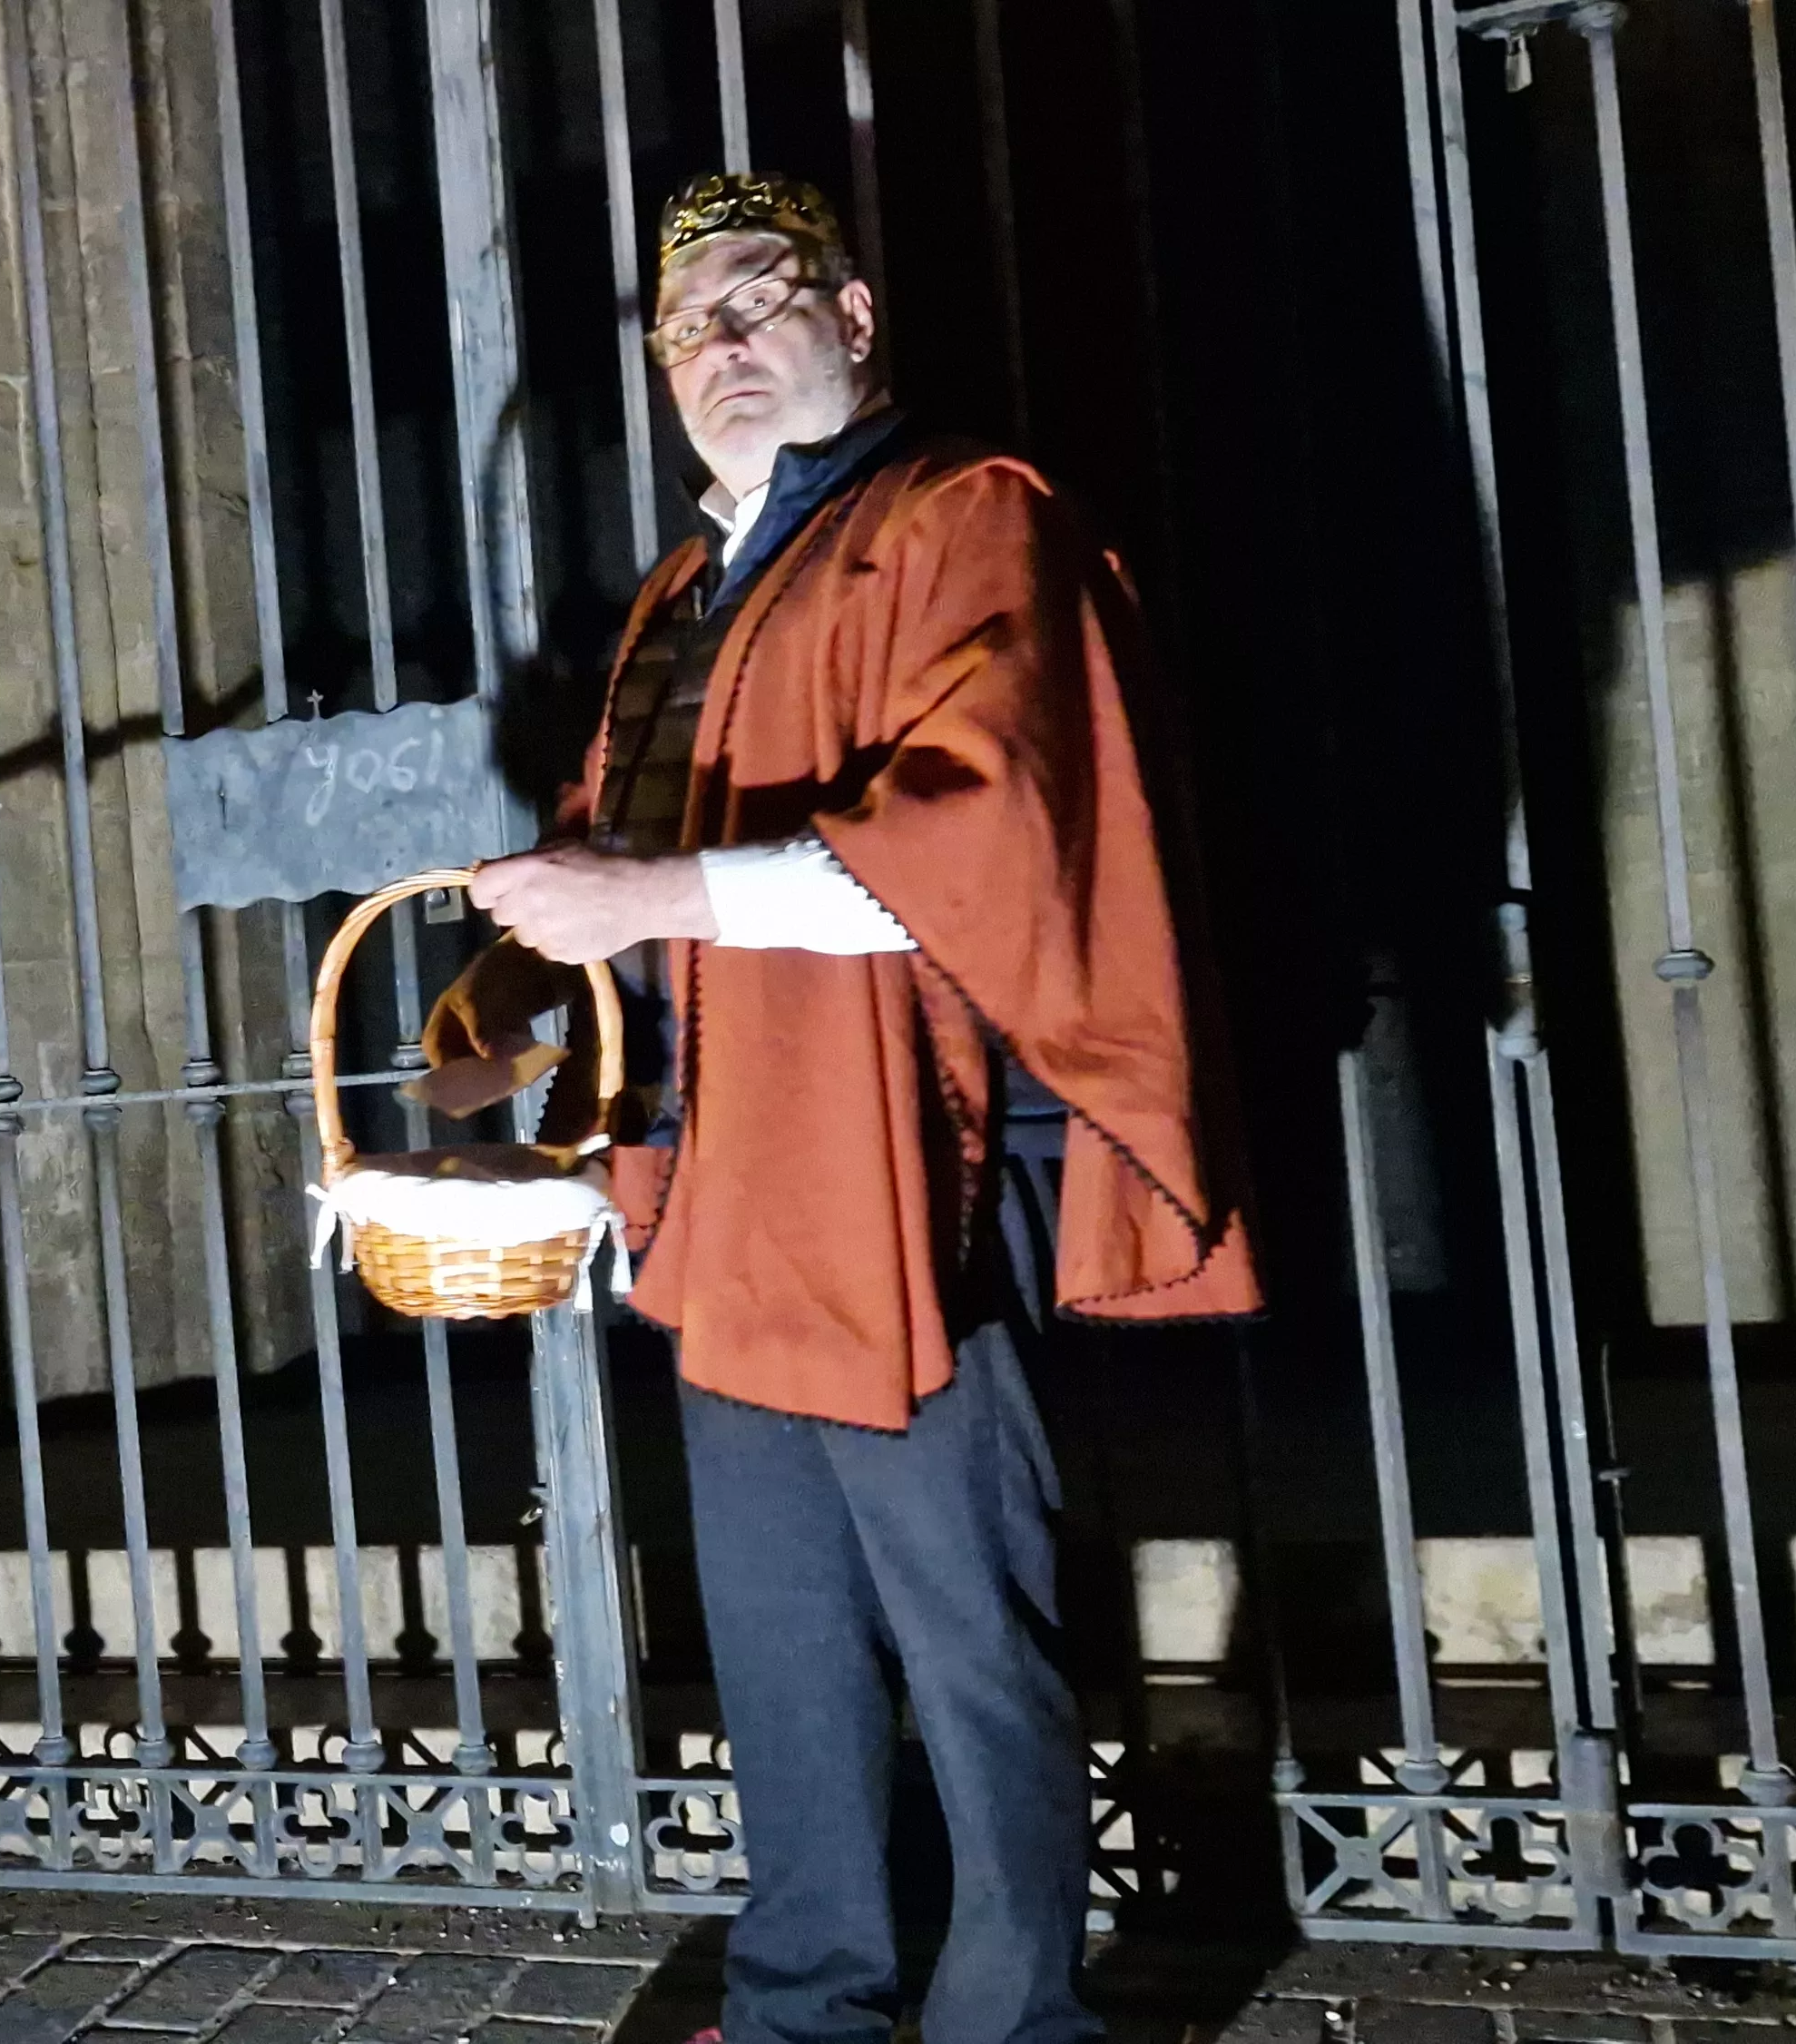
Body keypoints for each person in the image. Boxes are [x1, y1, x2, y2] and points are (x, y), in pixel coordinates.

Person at [433, 175, 1260, 2044]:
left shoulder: (964, 515)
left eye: (751, 305)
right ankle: (806, 1999)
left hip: (920, 1158)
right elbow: (634, 870)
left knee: (965, 1634)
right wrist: (521, 1024)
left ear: (855, 315)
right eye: (681, 333)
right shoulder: (685, 588)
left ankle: (1010, 2017)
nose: (715, 353)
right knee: (784, 1629)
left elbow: (993, 841)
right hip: (733, 1172)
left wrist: (641, 897)